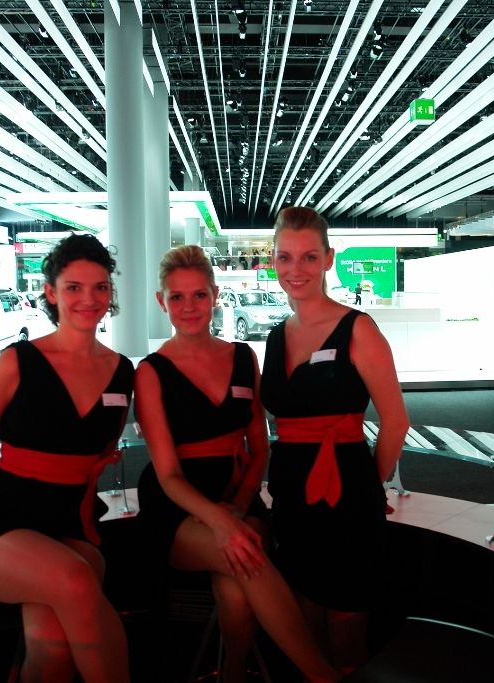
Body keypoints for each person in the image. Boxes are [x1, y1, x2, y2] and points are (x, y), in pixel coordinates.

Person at [135, 245, 339, 683]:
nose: (189, 307)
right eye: (176, 297)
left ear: (215, 295)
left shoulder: (244, 358)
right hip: (178, 508)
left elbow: (259, 448)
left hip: (238, 495)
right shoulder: (151, 372)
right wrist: (222, 521)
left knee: (238, 591)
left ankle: (231, 674)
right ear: (161, 301)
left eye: (199, 295)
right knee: (246, 554)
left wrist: (239, 506)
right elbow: (168, 475)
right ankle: (321, 675)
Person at [0, 234, 133, 683]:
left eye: (100, 287)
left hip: (67, 521)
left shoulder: (121, 371)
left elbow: (103, 445)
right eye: (74, 287)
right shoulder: (17, 361)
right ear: (51, 293)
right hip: (0, 523)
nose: (88, 299)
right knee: (76, 580)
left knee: (52, 653)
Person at [261, 206, 410, 674]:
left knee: (345, 621)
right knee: (304, 614)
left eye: (309, 257)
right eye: (286, 257)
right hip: (291, 491)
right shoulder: (276, 337)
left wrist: (368, 486)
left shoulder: (357, 328)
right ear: (273, 260)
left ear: (328, 259)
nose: (296, 269)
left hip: (347, 491)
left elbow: (396, 421)